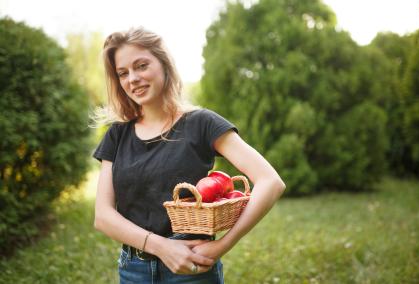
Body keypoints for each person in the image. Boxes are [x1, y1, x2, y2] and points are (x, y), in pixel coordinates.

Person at [93, 26, 286, 284]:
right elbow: (103, 216)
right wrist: (161, 247)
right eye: (123, 73)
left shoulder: (201, 123)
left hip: (191, 270)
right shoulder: (117, 134)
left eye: (141, 66)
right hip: (132, 270)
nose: (132, 79)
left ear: (163, 64)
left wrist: (223, 245)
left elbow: (270, 182)